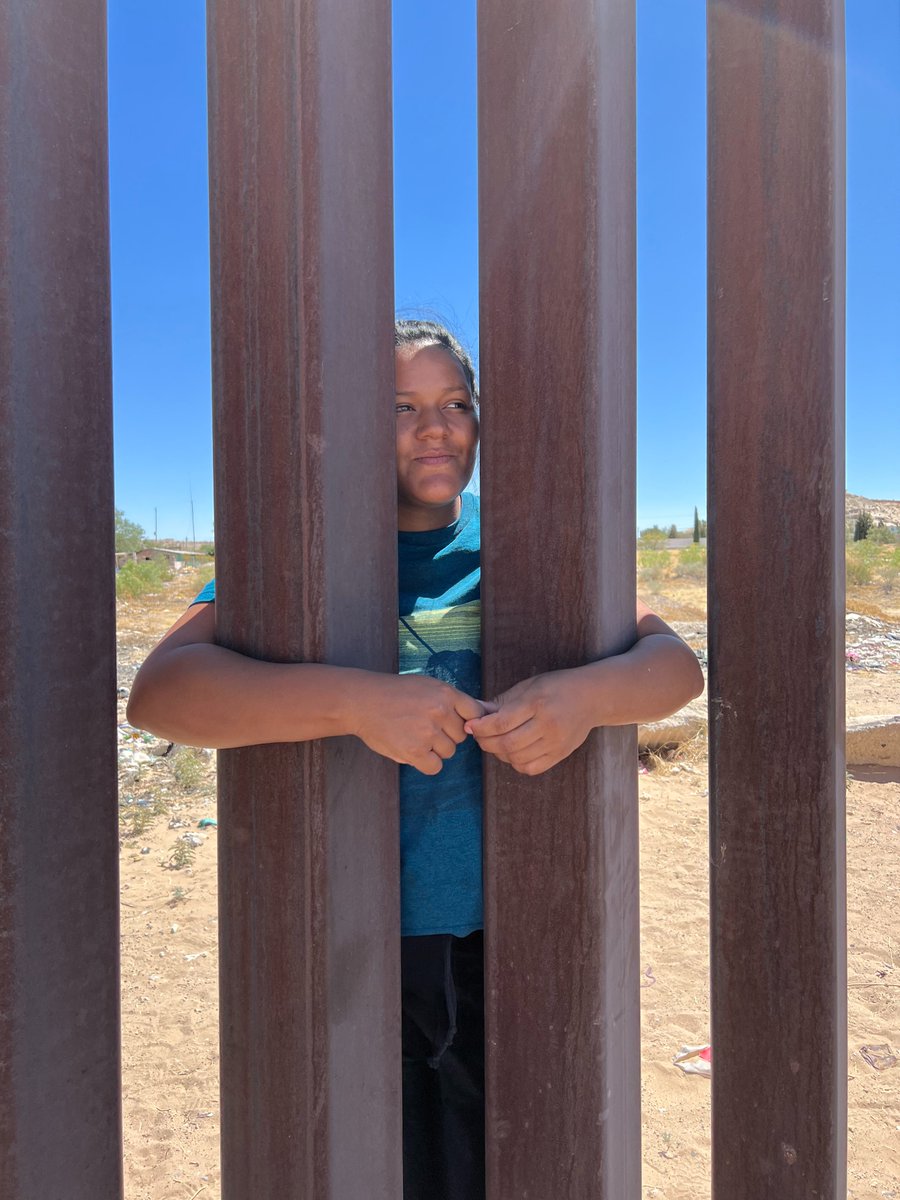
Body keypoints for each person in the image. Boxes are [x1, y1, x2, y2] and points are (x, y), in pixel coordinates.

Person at [127, 318, 704, 1200]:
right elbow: (162, 693)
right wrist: (359, 702)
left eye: (456, 404)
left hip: (510, 933)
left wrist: (583, 700)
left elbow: (673, 666)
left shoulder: (525, 544)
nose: (435, 428)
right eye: (401, 406)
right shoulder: (302, 555)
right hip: (361, 943)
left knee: (498, 1158)